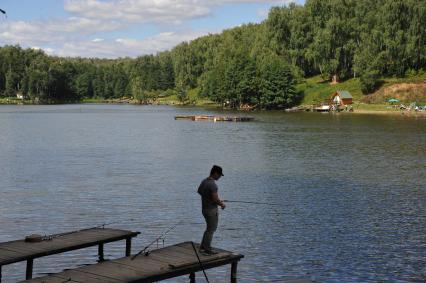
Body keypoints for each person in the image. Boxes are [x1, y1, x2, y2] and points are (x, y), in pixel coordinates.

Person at [197, 165, 226, 255]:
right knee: (211, 229)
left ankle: (203, 246)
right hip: (211, 211)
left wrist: (210, 199)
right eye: (220, 175)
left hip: (204, 209)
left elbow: (199, 191)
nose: (220, 177)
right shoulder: (213, 185)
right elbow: (214, 199)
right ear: (215, 173)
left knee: (208, 228)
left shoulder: (204, 181)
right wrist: (221, 204)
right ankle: (207, 249)